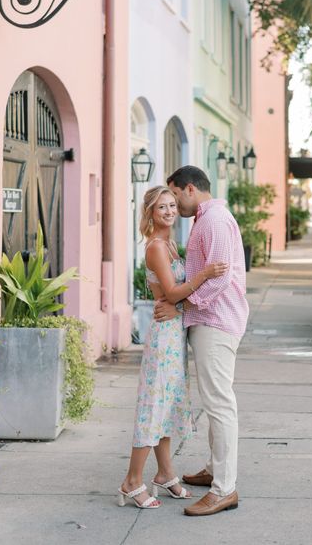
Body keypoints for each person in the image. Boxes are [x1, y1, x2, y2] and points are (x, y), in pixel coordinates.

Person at [118, 185, 228, 509]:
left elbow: (174, 297)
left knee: (165, 409)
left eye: (170, 205)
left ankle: (165, 473)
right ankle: (131, 481)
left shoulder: (172, 244)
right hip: (163, 338)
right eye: (161, 207)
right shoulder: (155, 247)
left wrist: (175, 303)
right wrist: (206, 273)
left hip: (174, 334)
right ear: (150, 213)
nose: (168, 211)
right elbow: (172, 291)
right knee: (153, 408)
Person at [154, 166, 249, 517]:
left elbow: (220, 280)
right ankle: (215, 470)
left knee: (220, 403)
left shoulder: (214, 221)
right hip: (209, 321)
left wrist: (182, 304)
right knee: (214, 402)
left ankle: (225, 489)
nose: (174, 205)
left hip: (216, 322)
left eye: (175, 196)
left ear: (190, 189)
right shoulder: (206, 220)